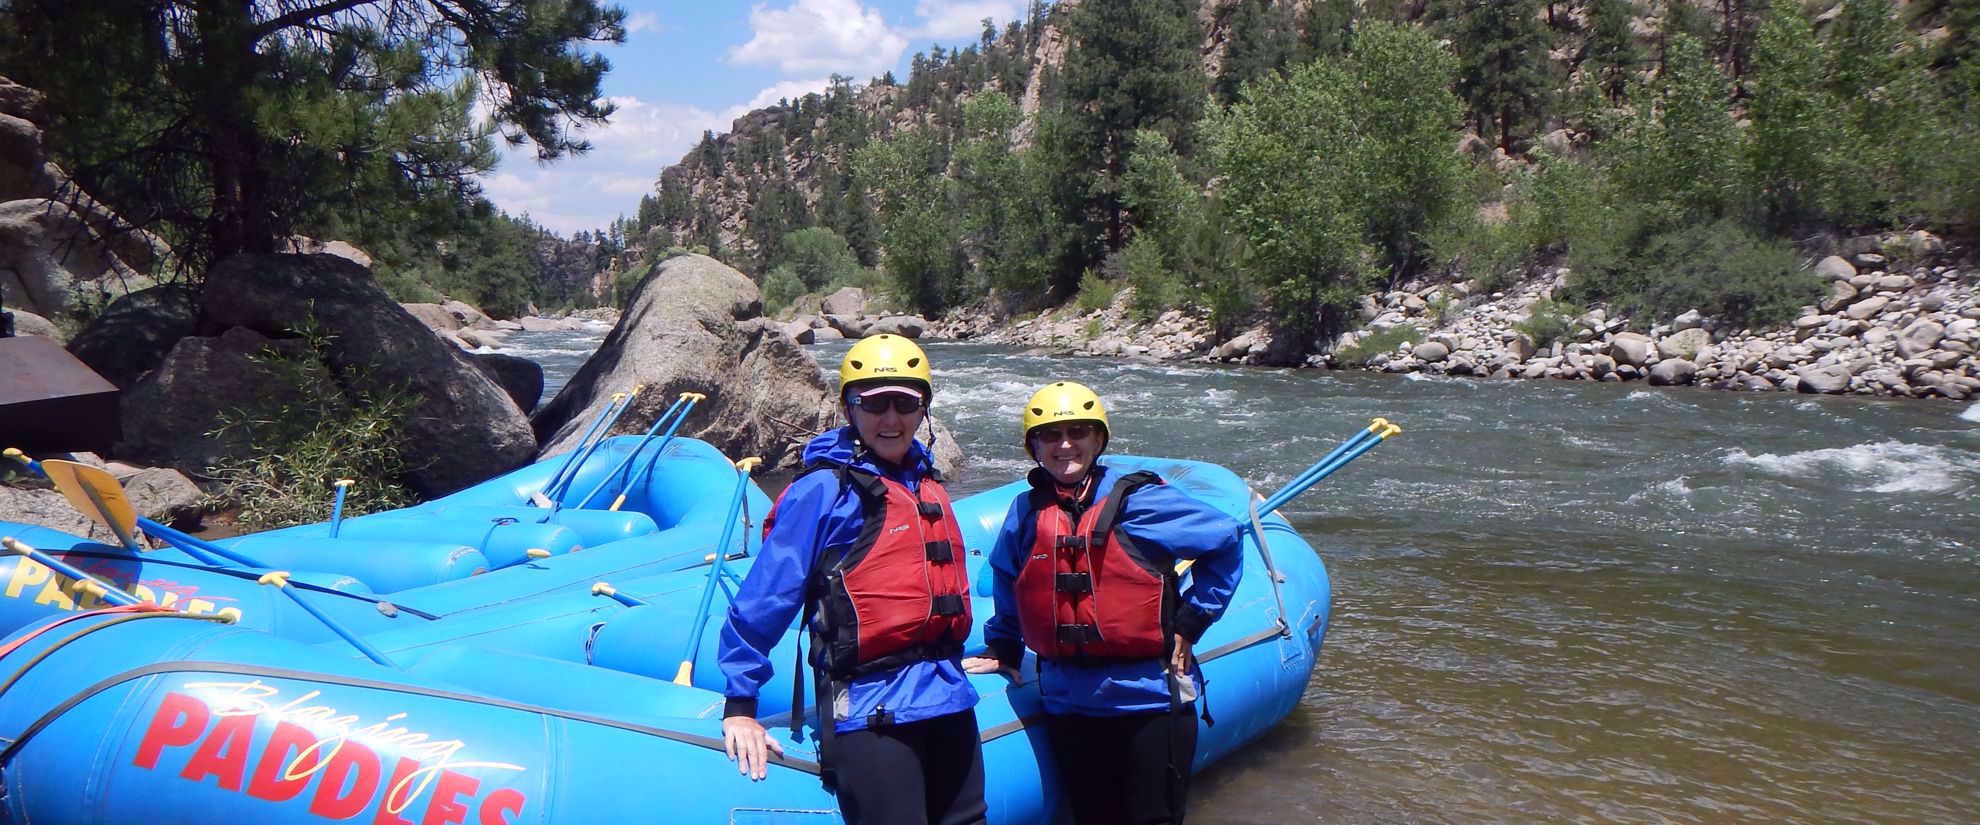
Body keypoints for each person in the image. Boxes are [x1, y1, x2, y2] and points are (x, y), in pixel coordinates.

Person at [717, 334, 987, 825]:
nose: (891, 418)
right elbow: (764, 598)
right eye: (874, 403)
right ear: (849, 409)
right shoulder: (824, 490)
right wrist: (740, 705)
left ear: (923, 408)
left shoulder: (924, 482)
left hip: (947, 695)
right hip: (870, 707)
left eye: (905, 402)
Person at [963, 381, 1243, 825]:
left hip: (1149, 702)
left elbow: (1225, 540)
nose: (1065, 444)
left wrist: (1192, 620)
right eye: (1050, 435)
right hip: (1068, 705)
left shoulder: (1143, 501)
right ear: (1034, 446)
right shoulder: (1026, 510)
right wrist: (1003, 646)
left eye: (1078, 431)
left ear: (1099, 439)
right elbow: (1007, 577)